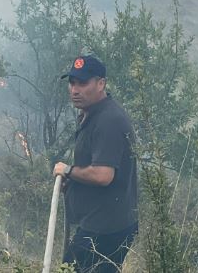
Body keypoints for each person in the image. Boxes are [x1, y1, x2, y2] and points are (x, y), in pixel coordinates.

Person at [53, 55, 138, 273]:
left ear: (101, 84)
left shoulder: (108, 120)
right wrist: (73, 183)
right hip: (99, 223)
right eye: (72, 82)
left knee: (69, 268)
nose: (75, 90)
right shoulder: (91, 115)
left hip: (106, 228)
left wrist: (68, 171)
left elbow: (103, 175)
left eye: (83, 83)